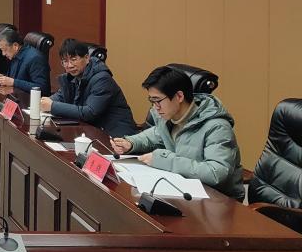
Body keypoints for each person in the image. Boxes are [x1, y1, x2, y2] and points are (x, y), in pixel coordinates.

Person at [111, 66, 244, 200]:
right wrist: (131, 143)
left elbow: (217, 173)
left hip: (218, 200)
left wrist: (166, 160)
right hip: (183, 190)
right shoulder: (170, 118)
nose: (155, 107)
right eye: (152, 101)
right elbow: (155, 134)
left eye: (158, 101)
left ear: (179, 96)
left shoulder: (217, 127)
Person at [40, 39, 137, 137]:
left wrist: (53, 106)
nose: (69, 65)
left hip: (117, 136)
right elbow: (60, 96)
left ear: (87, 58)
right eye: (65, 61)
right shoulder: (72, 77)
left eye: (73, 60)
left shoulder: (102, 79)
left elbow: (90, 113)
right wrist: (44, 102)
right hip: (92, 131)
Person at [0, 27, 51, 96]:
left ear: (15, 46)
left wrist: (14, 82)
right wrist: (1, 77)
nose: (3, 54)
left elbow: (42, 88)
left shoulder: (35, 58)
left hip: (32, 100)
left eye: (4, 50)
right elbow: (15, 79)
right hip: (17, 96)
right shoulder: (15, 54)